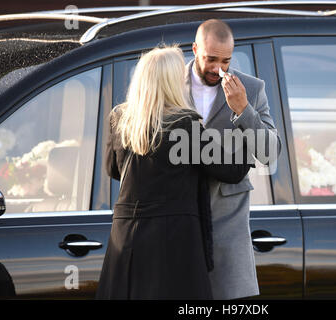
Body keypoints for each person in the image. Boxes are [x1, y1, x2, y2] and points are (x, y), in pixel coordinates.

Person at [95, 45, 253, 300]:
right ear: (171, 81)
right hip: (172, 242)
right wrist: (243, 115)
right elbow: (232, 170)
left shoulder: (119, 117)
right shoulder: (184, 124)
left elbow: (112, 169)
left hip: (124, 240)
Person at [186, 19, 281, 300]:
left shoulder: (250, 89)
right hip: (179, 223)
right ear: (194, 49)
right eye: (210, 59)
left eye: (225, 61)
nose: (218, 69)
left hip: (228, 231)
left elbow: (269, 153)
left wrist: (243, 109)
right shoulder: (168, 84)